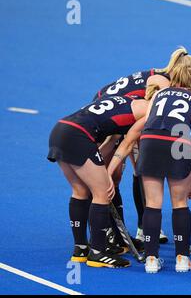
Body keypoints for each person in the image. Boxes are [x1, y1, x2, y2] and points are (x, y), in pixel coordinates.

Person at [106, 62, 191, 273]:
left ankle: (151, 259)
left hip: (150, 142)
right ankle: (182, 258)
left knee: (153, 203)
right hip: (178, 144)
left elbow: (144, 125)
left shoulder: (158, 95)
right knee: (179, 202)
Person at [93, 47, 191, 246]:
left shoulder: (160, 75)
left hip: (113, 109)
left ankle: (121, 233)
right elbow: (151, 121)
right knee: (119, 173)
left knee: (119, 174)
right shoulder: (163, 83)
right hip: (114, 115)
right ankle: (123, 232)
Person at [47, 93, 152, 268]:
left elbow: (111, 142)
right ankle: (98, 252)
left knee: (80, 191)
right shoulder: (149, 111)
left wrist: (101, 172)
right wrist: (106, 175)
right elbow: (126, 145)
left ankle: (80, 249)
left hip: (59, 130)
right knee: (102, 193)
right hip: (78, 137)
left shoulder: (125, 101)